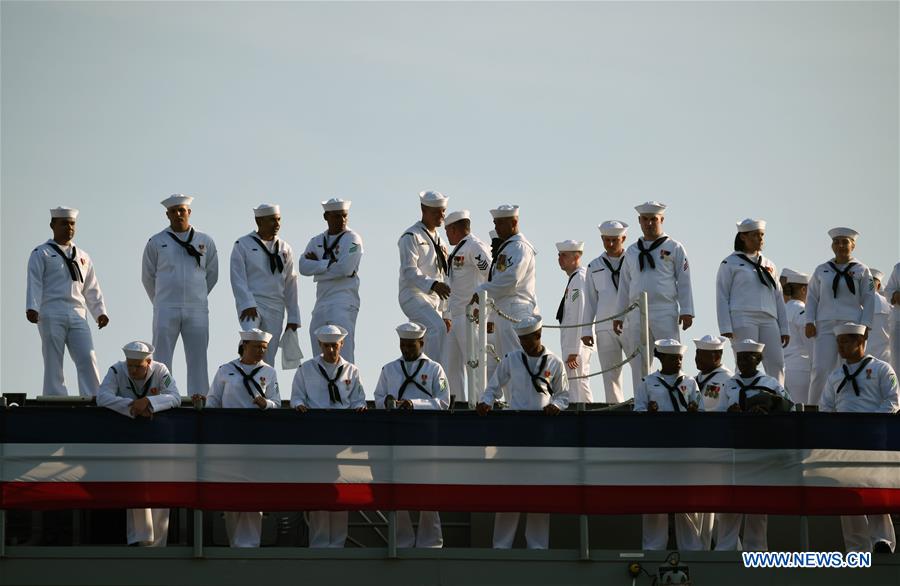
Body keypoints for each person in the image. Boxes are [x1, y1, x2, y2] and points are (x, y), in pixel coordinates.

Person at [477, 315, 569, 549]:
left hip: (542, 435)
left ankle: (538, 545)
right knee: (509, 492)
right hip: (514, 434)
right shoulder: (511, 359)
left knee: (540, 493)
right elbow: (493, 387)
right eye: (521, 340)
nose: (524, 344)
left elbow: (564, 395)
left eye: (528, 340)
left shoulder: (554, 362)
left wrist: (556, 406)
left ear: (538, 336)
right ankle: (501, 545)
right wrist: (487, 402)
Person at [819, 322, 898, 554]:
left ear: (861, 342)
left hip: (873, 441)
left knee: (876, 491)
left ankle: (881, 541)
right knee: (848, 495)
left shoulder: (883, 369)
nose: (841, 346)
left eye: (846, 341)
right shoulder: (835, 376)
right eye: (839, 342)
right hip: (845, 442)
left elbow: (893, 401)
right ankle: (856, 547)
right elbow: (826, 407)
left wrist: (868, 424)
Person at [97, 341, 181, 546]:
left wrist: (150, 403)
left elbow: (175, 397)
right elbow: (102, 397)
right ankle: (141, 539)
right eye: (130, 365)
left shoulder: (160, 370)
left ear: (149, 362)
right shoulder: (117, 370)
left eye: (138, 366)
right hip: (130, 438)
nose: (132, 370)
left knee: (161, 486)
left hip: (158, 439)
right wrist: (132, 406)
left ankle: (159, 543)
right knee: (136, 485)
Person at [373, 322, 449, 548]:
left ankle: (431, 541)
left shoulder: (435, 369)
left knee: (427, 488)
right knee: (398, 488)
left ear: (422, 343)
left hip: (425, 437)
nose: (405, 349)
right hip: (397, 436)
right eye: (402, 345)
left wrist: (414, 404)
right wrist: (388, 403)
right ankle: (402, 540)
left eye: (410, 345)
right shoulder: (389, 370)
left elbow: (443, 401)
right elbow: (378, 397)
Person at [204, 329, 280, 548]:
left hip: (256, 439)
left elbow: (276, 401)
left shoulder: (269, 372)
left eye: (264, 348)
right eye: (257, 347)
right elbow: (213, 401)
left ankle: (251, 543)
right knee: (232, 492)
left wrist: (267, 404)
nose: (261, 352)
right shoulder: (225, 370)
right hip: (229, 439)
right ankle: (233, 542)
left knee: (254, 491)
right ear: (244, 345)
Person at [291, 325, 365, 548]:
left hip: (343, 436)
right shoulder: (306, 369)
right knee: (320, 489)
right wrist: (300, 406)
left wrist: (360, 407)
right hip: (317, 434)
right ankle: (320, 542)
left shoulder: (352, 370)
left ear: (342, 345)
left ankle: (338, 542)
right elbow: (296, 397)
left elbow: (358, 399)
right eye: (327, 346)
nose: (331, 350)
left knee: (341, 490)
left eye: (335, 345)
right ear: (320, 346)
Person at [717, 339, 792, 552]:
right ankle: (726, 548)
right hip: (735, 448)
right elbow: (718, 413)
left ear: (758, 359)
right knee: (729, 504)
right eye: (739, 358)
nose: (742, 362)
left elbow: (789, 411)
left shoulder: (771, 384)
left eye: (747, 357)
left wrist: (767, 413)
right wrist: (730, 414)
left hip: (760, 448)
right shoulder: (730, 384)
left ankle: (756, 550)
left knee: (757, 505)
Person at [26, 206, 109, 397]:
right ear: (52, 225)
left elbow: (91, 287)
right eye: (64, 223)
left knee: (88, 356)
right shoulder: (42, 253)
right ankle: (54, 396)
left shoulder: (82, 256)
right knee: (53, 358)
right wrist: (32, 306)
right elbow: (35, 281)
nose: (69, 228)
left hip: (78, 312)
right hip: (51, 310)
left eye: (72, 224)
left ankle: (93, 396)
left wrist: (100, 312)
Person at [142, 194, 218, 398]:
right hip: (166, 307)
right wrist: (160, 301)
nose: (178, 214)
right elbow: (148, 277)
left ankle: (200, 396)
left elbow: (212, 274)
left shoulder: (205, 241)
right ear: (167, 215)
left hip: (197, 308)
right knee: (162, 357)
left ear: (189, 212)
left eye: (181, 210)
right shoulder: (157, 241)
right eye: (173, 211)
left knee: (198, 357)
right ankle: (162, 395)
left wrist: (197, 296)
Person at [613, 202, 694, 392]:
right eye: (645, 219)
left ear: (662, 220)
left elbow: (684, 280)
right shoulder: (632, 251)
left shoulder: (674, 247)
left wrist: (687, 310)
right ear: (639, 221)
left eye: (654, 219)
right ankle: (642, 400)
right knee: (639, 361)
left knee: (671, 357)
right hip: (636, 312)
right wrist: (619, 315)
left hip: (664, 310)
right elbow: (624, 286)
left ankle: (675, 398)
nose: (649, 223)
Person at [633, 339, 703, 551]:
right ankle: (653, 547)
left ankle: (691, 548)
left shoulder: (690, 383)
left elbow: (702, 414)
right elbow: (637, 412)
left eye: (680, 358)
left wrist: (693, 413)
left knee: (688, 503)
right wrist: (649, 414)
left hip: (684, 448)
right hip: (657, 448)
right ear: (661, 358)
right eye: (674, 358)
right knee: (655, 501)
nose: (679, 362)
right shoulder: (647, 382)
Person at [473, 205, 540, 401]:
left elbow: (511, 279)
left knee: (516, 360)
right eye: (495, 223)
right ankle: (513, 403)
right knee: (507, 362)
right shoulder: (508, 247)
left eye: (500, 223)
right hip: (504, 310)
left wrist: (481, 291)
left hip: (515, 310)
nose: (497, 227)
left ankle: (521, 404)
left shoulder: (519, 247)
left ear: (514, 222)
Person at [805, 228, 875, 405]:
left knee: (850, 367)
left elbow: (868, 299)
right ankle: (814, 407)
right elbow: (812, 297)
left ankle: (848, 405)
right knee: (821, 368)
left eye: (845, 242)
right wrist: (809, 321)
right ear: (832, 246)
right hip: (825, 323)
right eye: (837, 242)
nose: (841, 246)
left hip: (852, 324)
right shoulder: (822, 269)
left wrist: (866, 325)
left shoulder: (862, 270)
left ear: (853, 245)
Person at [715, 219, 789, 383]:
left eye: (762, 235)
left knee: (776, 362)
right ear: (743, 237)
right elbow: (722, 295)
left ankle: (777, 398)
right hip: (743, 317)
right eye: (755, 235)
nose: (760, 239)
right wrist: (725, 325)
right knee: (745, 362)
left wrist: (784, 327)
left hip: (769, 318)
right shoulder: (730, 263)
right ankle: (740, 398)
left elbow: (778, 296)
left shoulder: (769, 264)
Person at [230, 204, 300, 367]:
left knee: (268, 352)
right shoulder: (243, 244)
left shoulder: (285, 248)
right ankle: (243, 379)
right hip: (252, 303)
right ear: (259, 221)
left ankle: (266, 390)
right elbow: (237, 277)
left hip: (276, 305)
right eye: (271, 220)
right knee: (250, 340)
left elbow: (291, 282)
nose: (276, 224)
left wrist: (293, 316)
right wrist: (247, 303)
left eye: (278, 220)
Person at [299, 198, 364, 362]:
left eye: (344, 216)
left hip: (344, 300)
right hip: (321, 302)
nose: (341, 220)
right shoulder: (317, 241)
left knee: (344, 354)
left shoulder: (353, 239)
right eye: (336, 216)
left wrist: (318, 266)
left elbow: (346, 268)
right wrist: (328, 264)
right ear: (326, 217)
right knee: (318, 351)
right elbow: (302, 266)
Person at [398, 191, 451, 371]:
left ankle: (421, 376)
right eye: (436, 211)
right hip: (413, 295)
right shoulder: (411, 236)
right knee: (437, 329)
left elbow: (445, 276)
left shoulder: (441, 242)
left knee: (426, 338)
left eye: (443, 211)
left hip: (435, 300)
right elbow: (409, 270)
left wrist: (446, 313)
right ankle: (433, 374)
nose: (441, 215)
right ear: (423, 209)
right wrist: (433, 285)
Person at [442, 209, 491, 403]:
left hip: (470, 316)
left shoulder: (474, 247)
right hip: (455, 316)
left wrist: (480, 301)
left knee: (476, 366)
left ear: (454, 229)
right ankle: (458, 404)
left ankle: (481, 404)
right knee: (451, 367)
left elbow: (490, 273)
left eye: (447, 230)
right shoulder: (458, 250)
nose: (446, 234)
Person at [581, 220, 629, 403]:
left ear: (623, 238)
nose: (610, 244)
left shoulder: (632, 262)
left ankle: (643, 405)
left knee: (640, 367)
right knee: (610, 374)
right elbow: (590, 302)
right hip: (604, 326)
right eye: (606, 240)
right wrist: (587, 330)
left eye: (614, 240)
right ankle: (615, 408)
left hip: (630, 323)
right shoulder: (594, 266)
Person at [555, 240, 592, 403]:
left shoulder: (579, 280)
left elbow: (579, 312)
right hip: (574, 342)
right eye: (559, 255)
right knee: (580, 382)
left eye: (564, 255)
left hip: (576, 343)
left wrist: (574, 349)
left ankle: (581, 415)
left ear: (576, 257)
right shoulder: (575, 279)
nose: (560, 259)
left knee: (576, 383)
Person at [782, 270, 814, 404]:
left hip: (784, 370)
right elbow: (811, 345)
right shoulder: (802, 311)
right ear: (803, 289)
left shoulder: (781, 311)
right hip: (801, 370)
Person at [867, 269, 892, 364]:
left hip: (862, 362)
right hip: (886, 360)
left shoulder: (854, 305)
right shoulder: (890, 306)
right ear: (879, 285)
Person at [885, 262, 900, 373]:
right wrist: (894, 295)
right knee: (897, 364)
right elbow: (888, 290)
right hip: (898, 322)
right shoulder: (898, 268)